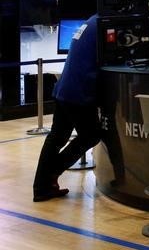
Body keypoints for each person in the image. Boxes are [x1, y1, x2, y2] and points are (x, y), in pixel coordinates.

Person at [33, 14, 102, 202]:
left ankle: (41, 187)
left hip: (65, 88)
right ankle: (52, 172)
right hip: (79, 92)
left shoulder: (91, 21)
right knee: (91, 135)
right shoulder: (104, 24)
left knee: (56, 137)